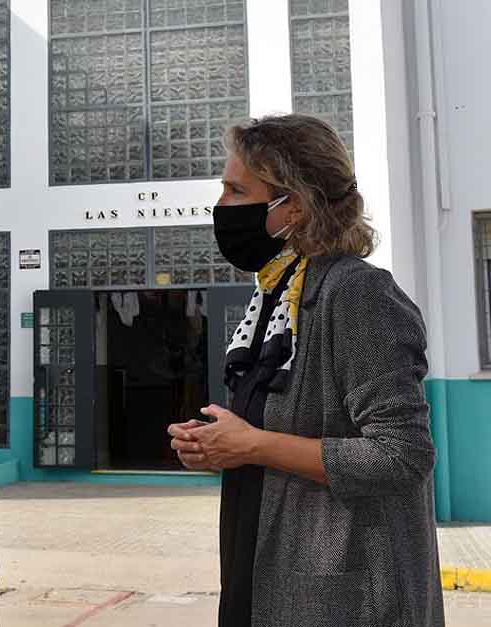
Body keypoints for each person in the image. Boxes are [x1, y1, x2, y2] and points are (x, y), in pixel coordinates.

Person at [168, 114, 444, 627]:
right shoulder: (278, 298)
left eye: (236, 190)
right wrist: (219, 447)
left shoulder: (357, 293)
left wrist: (253, 445)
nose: (220, 205)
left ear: (292, 206)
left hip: (342, 598)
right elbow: (280, 434)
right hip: (263, 571)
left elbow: (403, 455)